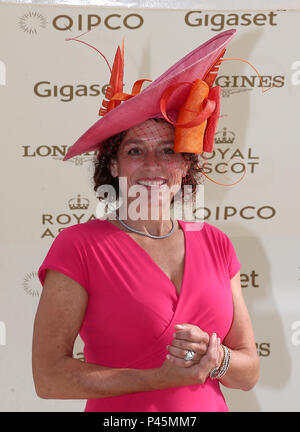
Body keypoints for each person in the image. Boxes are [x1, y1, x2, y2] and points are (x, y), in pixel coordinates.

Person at [32, 29, 260, 412]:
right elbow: (48, 379)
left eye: (168, 150)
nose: (153, 164)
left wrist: (215, 357)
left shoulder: (216, 242)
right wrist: (155, 379)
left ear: (186, 164)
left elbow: (249, 371)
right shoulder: (80, 246)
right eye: (136, 150)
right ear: (114, 163)